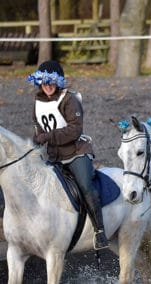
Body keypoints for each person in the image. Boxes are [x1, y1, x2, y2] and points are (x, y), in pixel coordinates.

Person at [28, 60, 109, 250]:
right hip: (54, 157)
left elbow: (74, 130)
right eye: (44, 82)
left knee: (85, 186)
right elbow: (38, 131)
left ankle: (99, 231)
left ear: (59, 82)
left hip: (76, 153)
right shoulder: (37, 103)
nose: (48, 86)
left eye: (52, 81)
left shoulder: (70, 99)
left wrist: (46, 137)